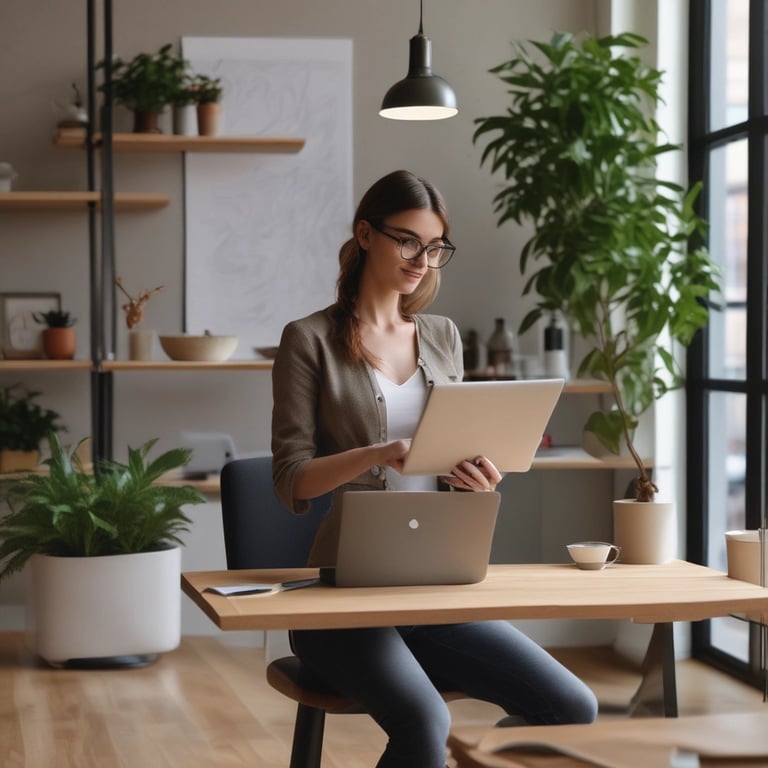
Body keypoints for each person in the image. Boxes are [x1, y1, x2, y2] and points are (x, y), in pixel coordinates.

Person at [271, 170, 598, 768]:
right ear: (365, 235)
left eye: (434, 246)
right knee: (425, 724)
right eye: (407, 241)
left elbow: (454, 455)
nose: (422, 261)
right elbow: (291, 478)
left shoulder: (442, 336)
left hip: (435, 589)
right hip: (341, 601)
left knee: (572, 705)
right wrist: (377, 453)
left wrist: (477, 480)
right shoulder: (308, 339)